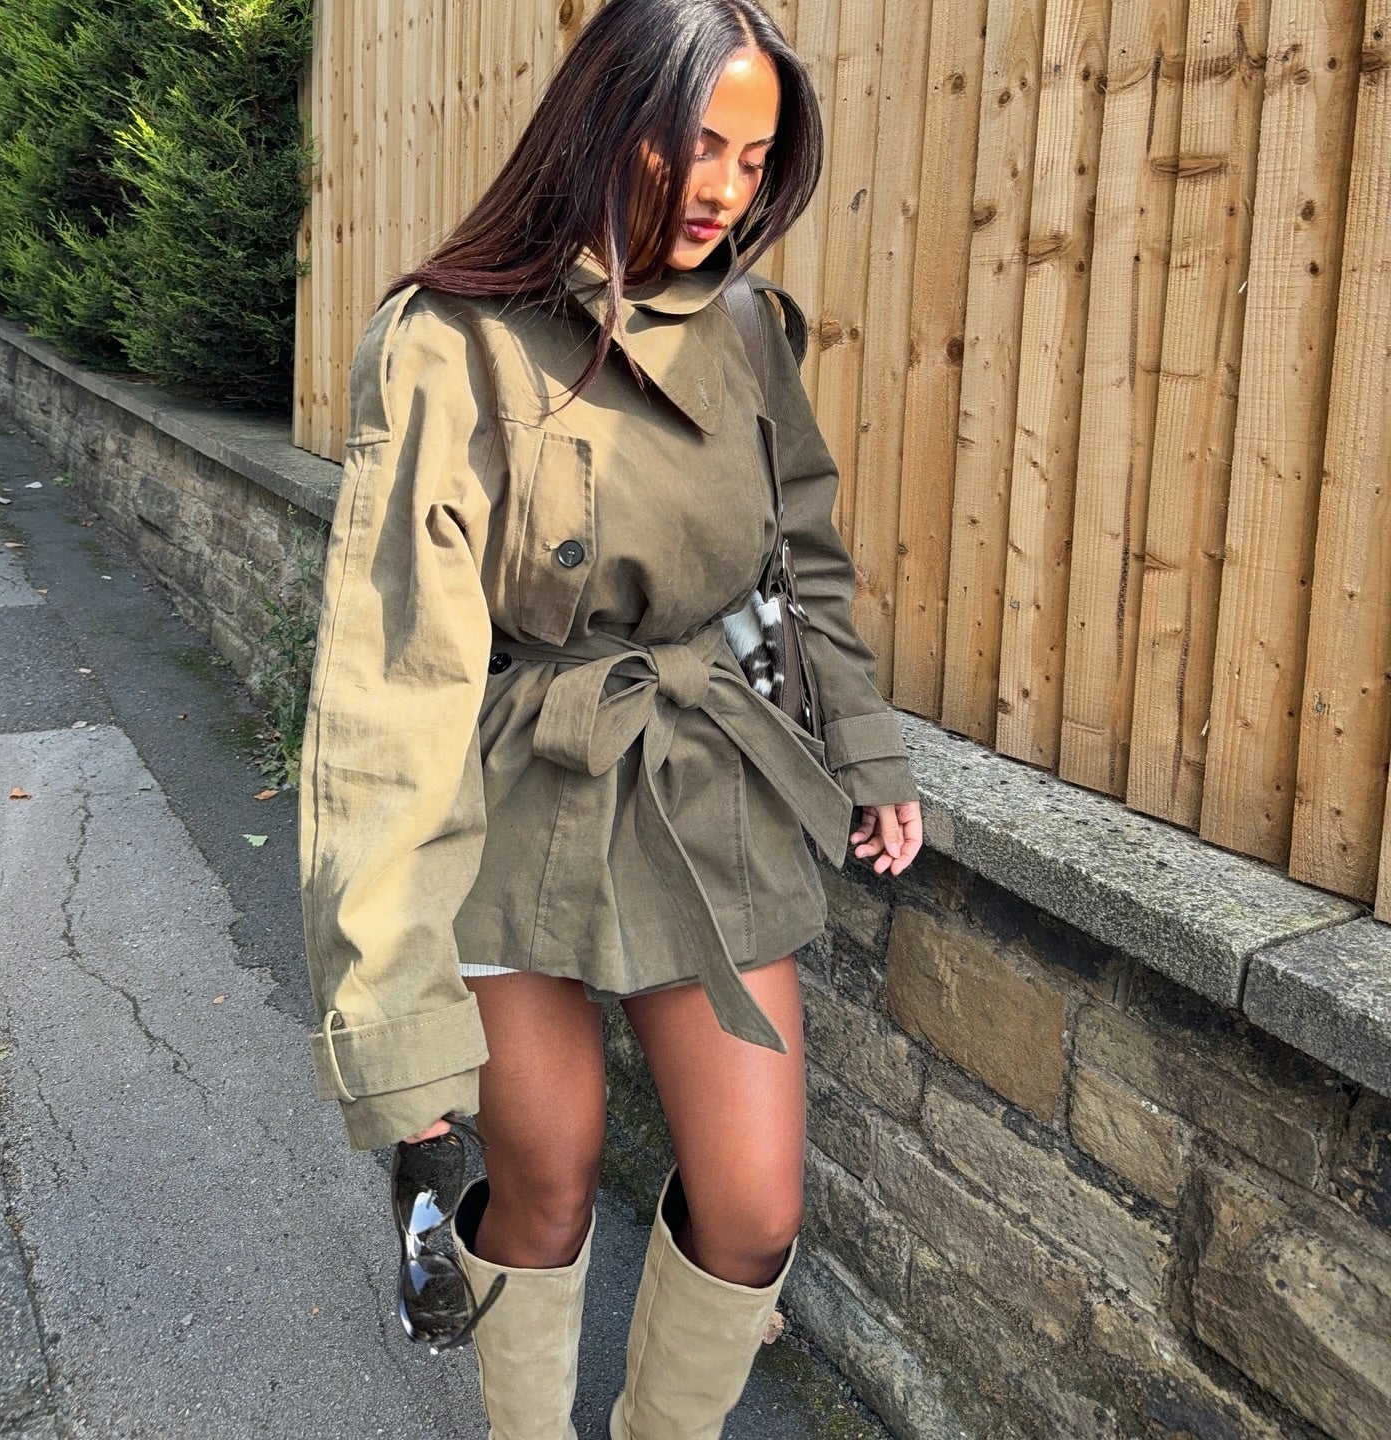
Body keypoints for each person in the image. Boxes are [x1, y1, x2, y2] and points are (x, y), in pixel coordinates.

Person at [299, 0, 922, 1435]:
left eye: (755, 160)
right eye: (696, 144)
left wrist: (866, 746)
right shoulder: (452, 338)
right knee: (549, 1177)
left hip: (699, 777)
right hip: (513, 785)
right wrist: (390, 1009)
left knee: (754, 1208)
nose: (725, 192)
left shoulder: (750, 329)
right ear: (606, 119)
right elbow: (393, 685)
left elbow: (804, 559)